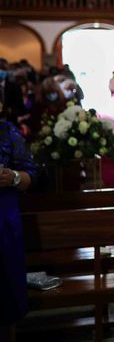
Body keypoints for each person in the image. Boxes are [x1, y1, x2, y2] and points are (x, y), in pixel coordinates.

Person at [0, 120, 37, 340]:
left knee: (6, 297)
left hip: (4, 222)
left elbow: (32, 175)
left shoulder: (7, 132)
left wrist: (13, 177)